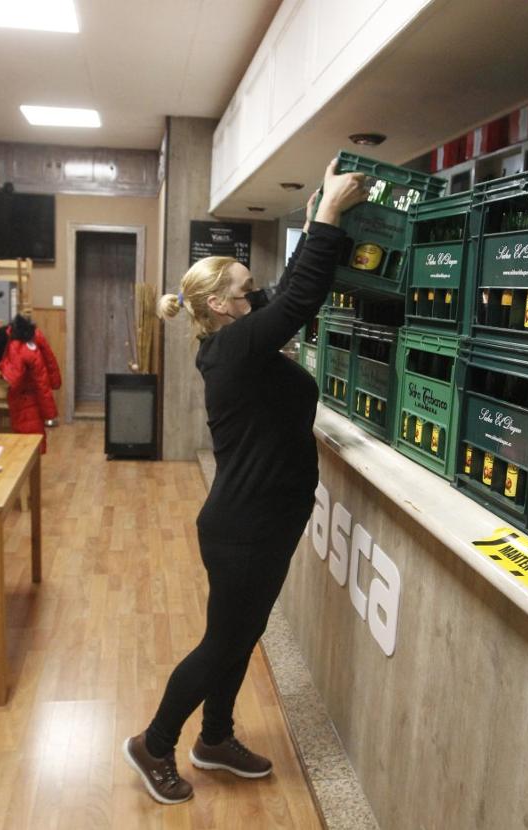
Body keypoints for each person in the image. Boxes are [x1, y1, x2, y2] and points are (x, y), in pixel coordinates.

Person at [122, 158, 367, 804]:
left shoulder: (237, 341)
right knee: (223, 642)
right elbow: (297, 298)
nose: (256, 295)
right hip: (245, 530)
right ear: (219, 306)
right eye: (245, 288)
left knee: (242, 632)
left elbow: (282, 293)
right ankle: (153, 743)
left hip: (259, 524)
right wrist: (328, 219)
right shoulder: (234, 349)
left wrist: (318, 216)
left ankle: (216, 738)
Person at [0, 313, 61, 452]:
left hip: (23, 396)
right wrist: (54, 382)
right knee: (30, 440)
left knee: (26, 443)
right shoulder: (34, 337)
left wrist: (2, 367)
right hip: (28, 396)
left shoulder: (17, 345)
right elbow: (48, 364)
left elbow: (16, 376)